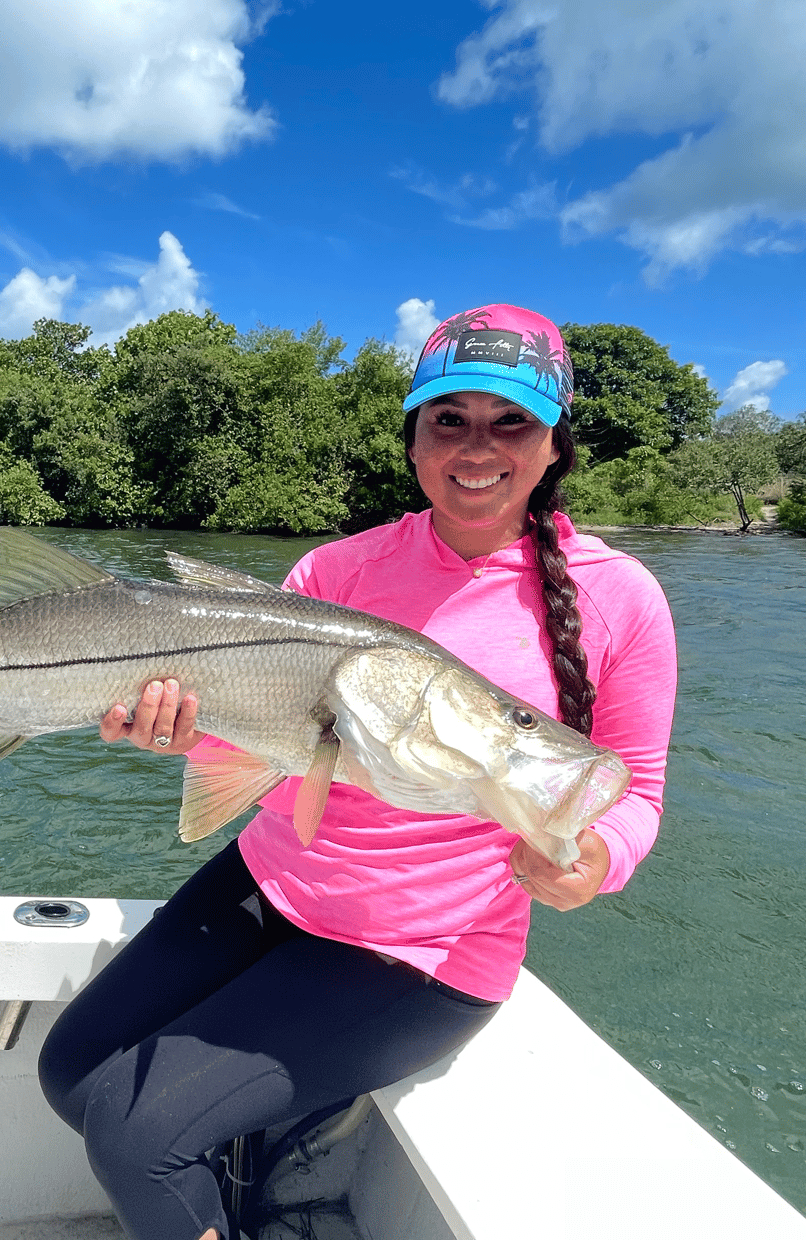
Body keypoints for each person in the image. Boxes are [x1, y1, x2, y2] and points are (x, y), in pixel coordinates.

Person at [38, 303, 677, 1240]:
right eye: (447, 419)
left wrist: (594, 865)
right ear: (414, 439)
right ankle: (239, 1192)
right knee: (71, 1075)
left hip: (421, 954)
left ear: (554, 445)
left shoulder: (621, 596)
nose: (476, 447)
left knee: (138, 1138)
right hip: (273, 881)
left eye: (512, 422)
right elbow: (271, 746)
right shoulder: (337, 568)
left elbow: (637, 792)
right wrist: (180, 733)